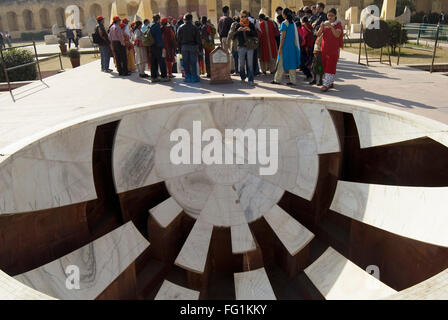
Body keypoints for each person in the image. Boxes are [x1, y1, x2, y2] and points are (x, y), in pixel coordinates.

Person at [272, 8, 301, 86]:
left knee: (281, 63)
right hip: (292, 46)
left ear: (284, 15)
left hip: (285, 46)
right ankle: (293, 80)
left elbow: (283, 37)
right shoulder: (293, 23)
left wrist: (280, 47)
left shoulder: (284, 24)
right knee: (292, 64)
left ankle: (277, 79)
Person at [317, 8, 343, 92]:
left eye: (332, 16)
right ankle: (330, 82)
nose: (330, 17)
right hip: (324, 49)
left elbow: (337, 35)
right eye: (329, 15)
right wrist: (321, 27)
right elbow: (318, 34)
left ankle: (325, 84)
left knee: (330, 66)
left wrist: (331, 26)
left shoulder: (338, 24)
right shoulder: (324, 24)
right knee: (325, 66)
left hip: (333, 49)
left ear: (335, 16)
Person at [233, 10, 257, 85]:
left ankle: (251, 79)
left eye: (245, 16)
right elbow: (233, 37)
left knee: (250, 64)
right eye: (242, 17)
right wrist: (237, 31)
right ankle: (243, 77)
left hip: (250, 47)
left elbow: (255, 35)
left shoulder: (251, 24)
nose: (243, 18)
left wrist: (250, 30)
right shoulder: (238, 25)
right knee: (242, 64)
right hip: (241, 47)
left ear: (247, 17)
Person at [177, 13, 202, 83]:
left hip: (184, 47)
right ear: (191, 19)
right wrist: (200, 48)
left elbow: (178, 39)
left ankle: (187, 77)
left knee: (185, 62)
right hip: (193, 46)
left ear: (185, 19)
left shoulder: (180, 27)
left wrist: (179, 49)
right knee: (193, 62)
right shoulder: (194, 27)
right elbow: (198, 39)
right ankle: (194, 77)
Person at [150, 15, 170, 82]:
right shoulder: (156, 26)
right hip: (158, 46)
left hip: (151, 46)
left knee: (153, 62)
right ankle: (164, 76)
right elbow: (159, 38)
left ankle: (154, 77)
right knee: (161, 61)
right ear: (158, 19)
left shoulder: (150, 25)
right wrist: (163, 47)